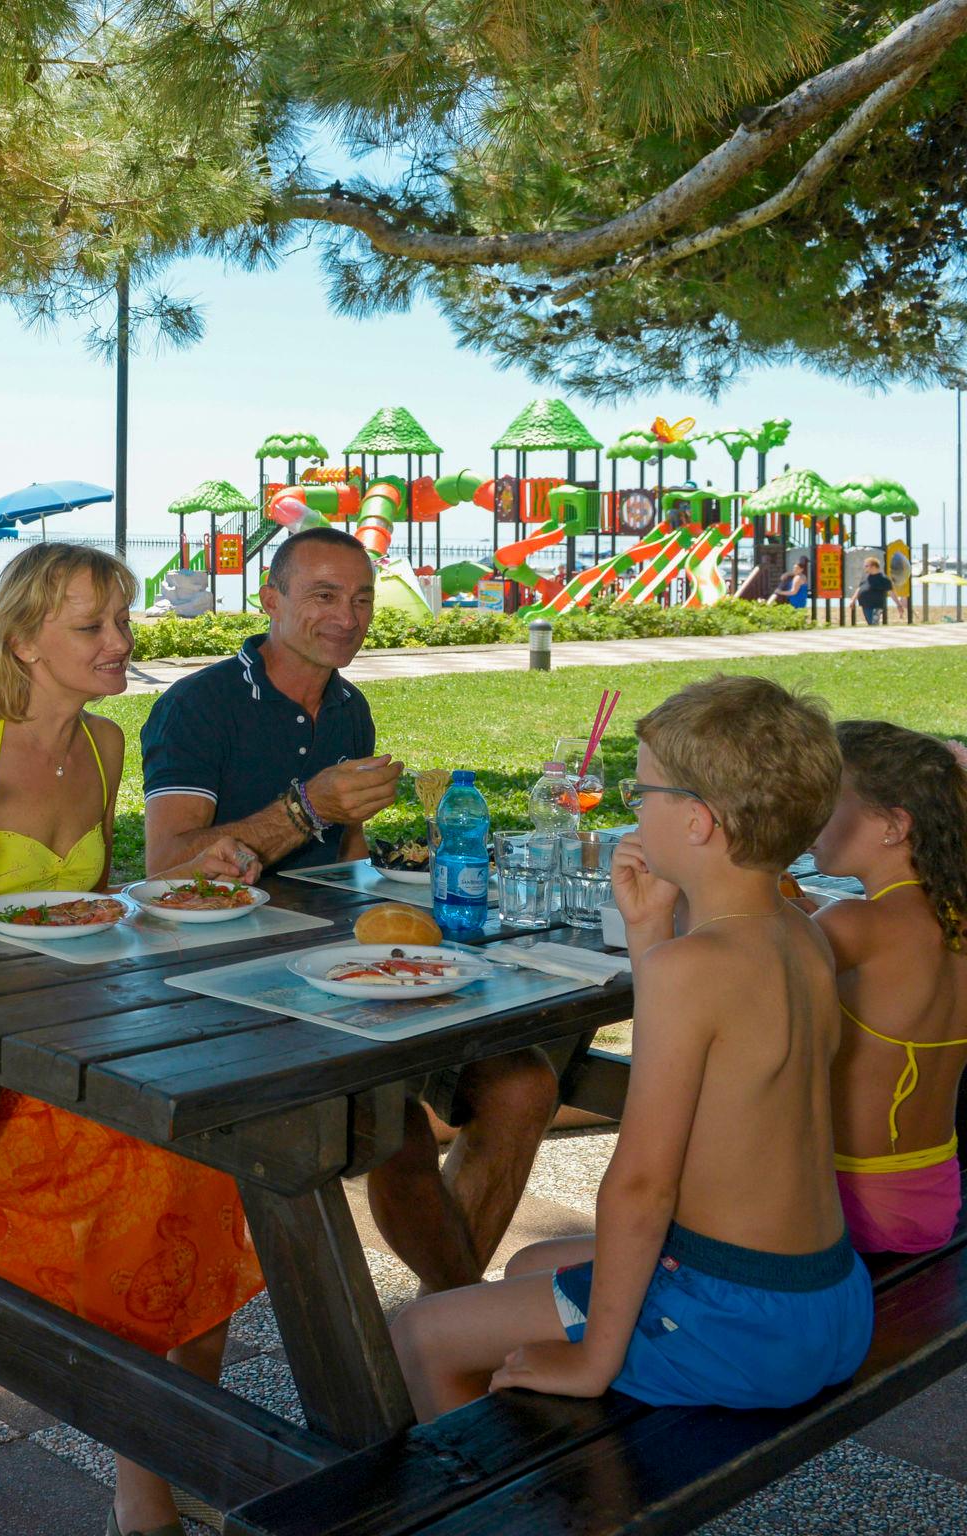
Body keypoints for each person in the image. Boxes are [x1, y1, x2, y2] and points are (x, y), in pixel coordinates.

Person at [0, 542, 260, 1536]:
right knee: (148, 1173)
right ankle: (143, 1489)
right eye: (91, 626)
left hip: (48, 1027)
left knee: (210, 1163)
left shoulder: (107, 747)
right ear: (23, 640)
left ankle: (174, 1438)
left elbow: (90, 908)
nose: (119, 643)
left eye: (121, 622)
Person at [391, 675, 869, 1421]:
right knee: (529, 1265)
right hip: (824, 1297)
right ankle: (539, 1468)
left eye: (641, 795)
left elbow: (642, 1188)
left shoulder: (695, 968)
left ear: (699, 822)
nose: (633, 811)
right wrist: (649, 934)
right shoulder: (797, 935)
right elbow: (718, 1056)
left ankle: (482, 1497)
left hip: (733, 1318)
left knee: (421, 1332)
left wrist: (593, 1359)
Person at [143, 527, 559, 1295]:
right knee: (390, 1123)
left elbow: (348, 860)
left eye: (362, 598)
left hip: (351, 963)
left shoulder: (347, 707)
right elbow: (166, 866)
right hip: (232, 984)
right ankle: (465, 1315)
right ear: (270, 601)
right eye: (324, 596)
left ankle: (449, 1312)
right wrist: (305, 808)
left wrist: (405, 865)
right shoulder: (198, 706)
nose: (349, 616)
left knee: (524, 1083)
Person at [809, 722, 967, 1255]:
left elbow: (737, 967)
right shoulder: (949, 914)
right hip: (933, 1195)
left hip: (854, 1202)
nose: (808, 817)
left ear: (894, 826)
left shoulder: (854, 924)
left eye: (826, 801)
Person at [858, 557, 892, 625]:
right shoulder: (866, 578)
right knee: (870, 623)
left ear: (873, 566)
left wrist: (898, 604)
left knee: (873, 623)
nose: (865, 568)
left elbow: (891, 591)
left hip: (876, 606)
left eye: (867, 566)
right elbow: (860, 588)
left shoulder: (883, 578)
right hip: (865, 605)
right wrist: (853, 600)